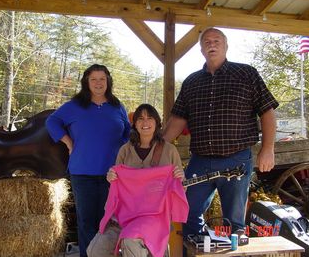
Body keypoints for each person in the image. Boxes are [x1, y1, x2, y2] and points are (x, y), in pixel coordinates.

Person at [163, 28, 279, 239]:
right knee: (186, 210)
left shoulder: (246, 74)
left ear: (226, 46)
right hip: (200, 161)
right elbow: (178, 119)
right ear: (201, 49)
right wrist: (157, 145)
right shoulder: (191, 82)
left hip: (236, 159)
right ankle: (197, 250)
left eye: (217, 40)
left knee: (234, 222)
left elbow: (267, 112)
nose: (211, 44)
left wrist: (268, 149)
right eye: (206, 41)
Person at [46, 64, 131, 257]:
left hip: (113, 175)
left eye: (102, 79)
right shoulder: (74, 106)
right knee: (86, 222)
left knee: (108, 222)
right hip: (82, 173)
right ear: (86, 82)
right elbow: (52, 121)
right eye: (94, 79)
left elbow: (127, 134)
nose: (98, 83)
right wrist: (67, 141)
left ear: (108, 81)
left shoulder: (117, 107)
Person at [87, 103, 188, 257]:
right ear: (134, 124)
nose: (145, 123)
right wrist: (111, 178)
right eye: (140, 119)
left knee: (130, 241)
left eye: (150, 118)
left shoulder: (169, 150)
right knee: (95, 250)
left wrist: (180, 179)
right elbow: (116, 186)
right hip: (123, 216)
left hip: (154, 217)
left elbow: (181, 189)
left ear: (157, 122)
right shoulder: (125, 150)